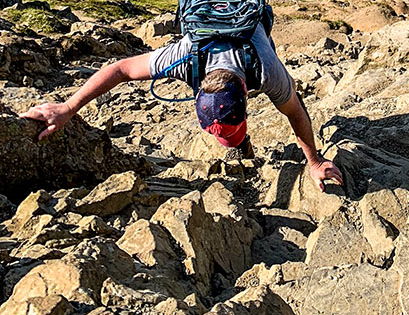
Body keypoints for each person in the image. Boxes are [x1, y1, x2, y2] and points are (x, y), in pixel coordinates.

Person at [22, 19, 344, 193]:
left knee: (269, 84)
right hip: (207, 40)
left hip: (250, 30)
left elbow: (296, 111)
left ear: (247, 95)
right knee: (229, 133)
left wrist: (314, 161)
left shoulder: (267, 71)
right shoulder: (183, 58)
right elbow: (120, 69)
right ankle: (237, 141)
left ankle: (237, 139)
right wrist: (68, 106)